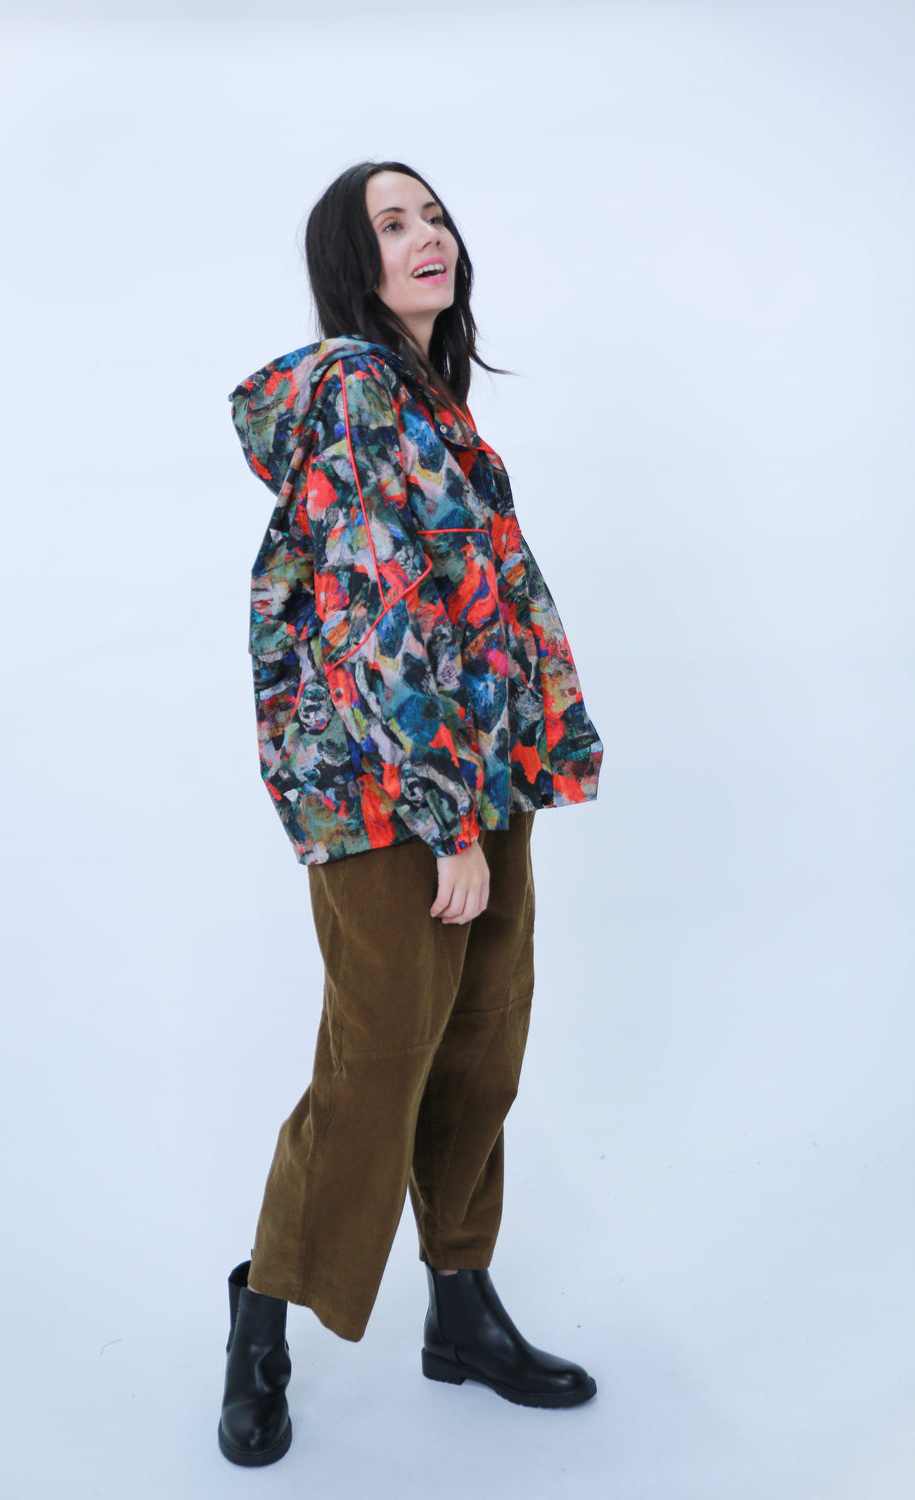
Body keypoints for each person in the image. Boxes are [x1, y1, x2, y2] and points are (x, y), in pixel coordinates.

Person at [218, 160, 604, 1467]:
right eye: (392, 224)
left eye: (432, 214)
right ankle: (260, 1322)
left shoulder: (433, 402)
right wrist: (448, 822)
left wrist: (493, 787)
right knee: (378, 1061)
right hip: (394, 795)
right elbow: (374, 612)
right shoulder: (355, 392)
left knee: (481, 1044)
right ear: (354, 263)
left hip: (477, 777)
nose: (426, 235)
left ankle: (461, 1310)